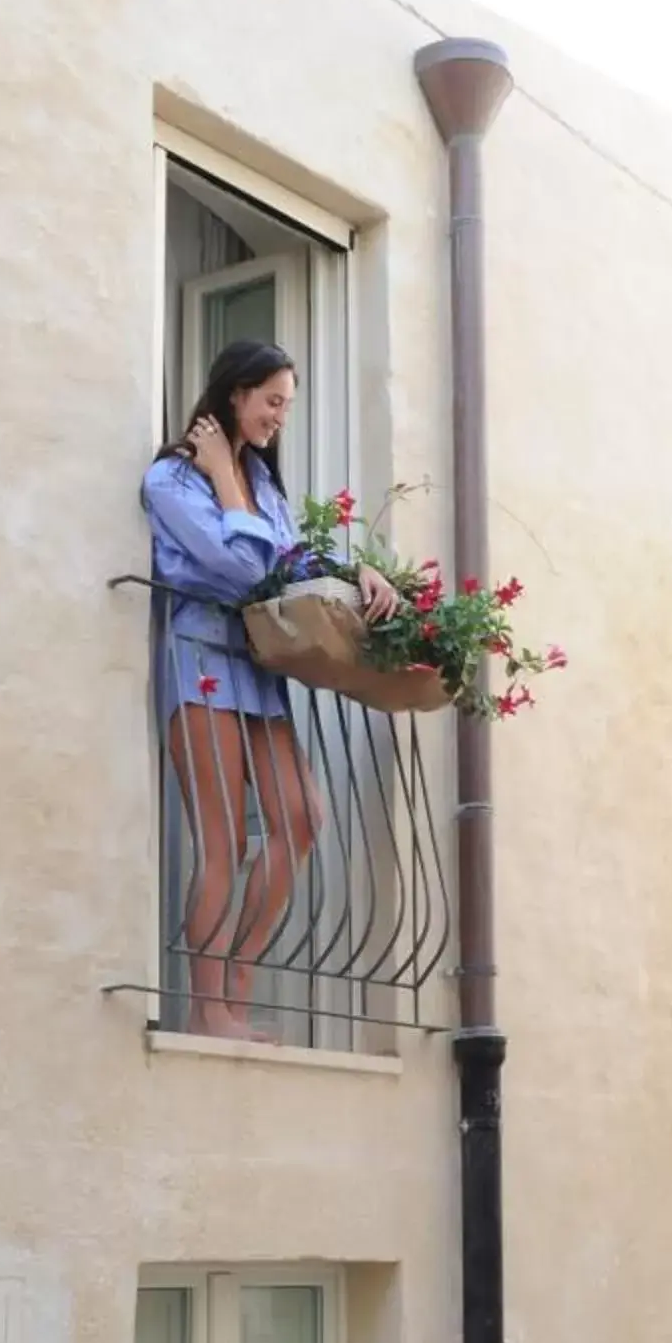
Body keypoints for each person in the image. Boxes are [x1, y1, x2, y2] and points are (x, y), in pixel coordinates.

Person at [141, 340, 398, 1040]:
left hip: (259, 670)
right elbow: (244, 575)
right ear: (235, 394)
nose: (281, 416)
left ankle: (238, 984)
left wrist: (360, 574)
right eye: (273, 401)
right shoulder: (172, 480)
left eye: (288, 403)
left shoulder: (263, 483)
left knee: (303, 819)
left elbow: (286, 564)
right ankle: (208, 1008)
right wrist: (224, 481)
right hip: (200, 662)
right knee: (220, 842)